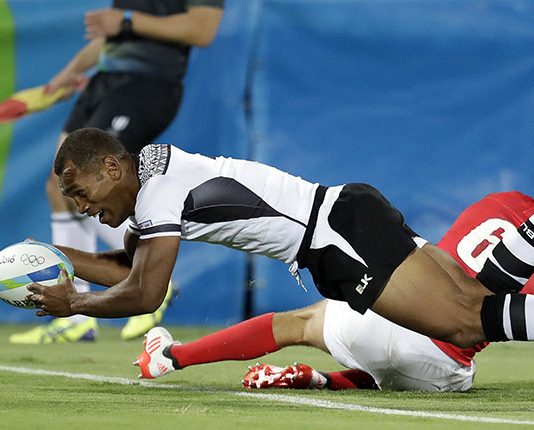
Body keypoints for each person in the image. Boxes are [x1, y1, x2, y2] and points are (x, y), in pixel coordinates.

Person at [27, 128, 534, 359]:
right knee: (477, 301)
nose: (81, 207)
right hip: (344, 218)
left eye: (80, 192)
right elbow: (127, 269)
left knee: (463, 326)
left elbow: (145, 294)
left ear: (111, 167)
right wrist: (60, 257)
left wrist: (74, 304)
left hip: (337, 236)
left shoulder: (158, 193)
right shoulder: (152, 183)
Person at [132, 191, 534, 391]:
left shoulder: (503, 201)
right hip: (440, 367)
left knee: (297, 324)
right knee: (434, 366)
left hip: (396, 313)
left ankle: (172, 357)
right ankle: (322, 380)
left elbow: (443, 258)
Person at [10, 1, 225, 344]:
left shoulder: (134, 19)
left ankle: (150, 277)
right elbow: (113, 36)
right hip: (105, 80)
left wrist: (126, 20)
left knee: (101, 186)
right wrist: (61, 80)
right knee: (62, 188)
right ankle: (76, 317)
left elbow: (202, 29)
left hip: (145, 86)